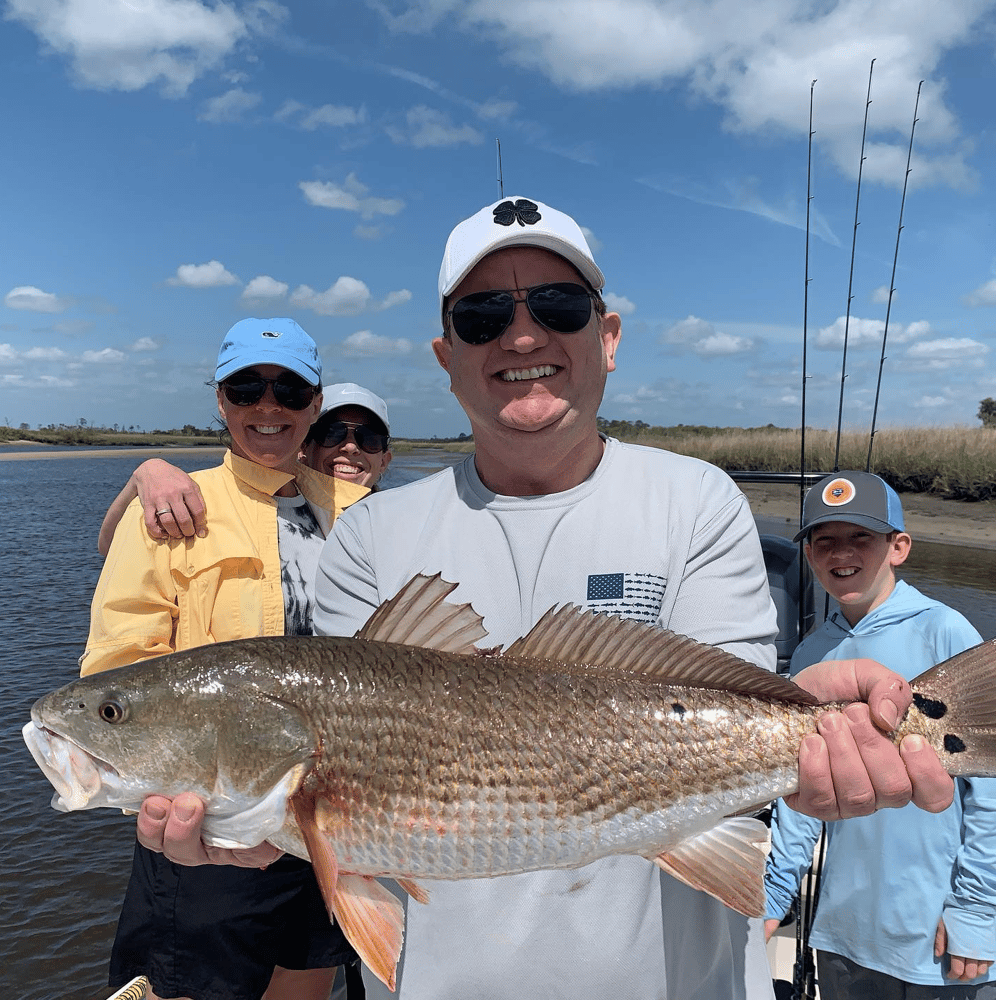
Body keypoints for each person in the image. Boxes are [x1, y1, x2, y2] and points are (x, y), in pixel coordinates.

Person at [134, 199, 954, 998]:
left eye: (559, 305)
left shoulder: (697, 498)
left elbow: (731, 703)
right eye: (483, 317)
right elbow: (344, 816)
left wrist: (809, 746)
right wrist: (254, 833)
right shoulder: (369, 537)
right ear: (445, 354)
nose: (523, 335)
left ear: (609, 335)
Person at [82, 319, 369, 1000]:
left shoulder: (361, 512)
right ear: (220, 401)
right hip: (207, 832)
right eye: (247, 388)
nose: (268, 406)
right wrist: (141, 476)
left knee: (307, 979)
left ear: (315, 403)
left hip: (337, 815)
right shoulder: (173, 508)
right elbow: (115, 676)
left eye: (289, 389)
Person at [764, 472, 996, 998]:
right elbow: (804, 791)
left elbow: (989, 789)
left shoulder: (947, 632)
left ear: (899, 547)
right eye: (824, 540)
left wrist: (977, 912)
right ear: (808, 555)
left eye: (860, 537)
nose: (840, 552)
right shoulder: (809, 654)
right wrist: (775, 894)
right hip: (845, 930)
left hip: (936, 932)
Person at [97, 381, 392, 556]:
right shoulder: (269, 511)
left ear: (385, 460)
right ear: (304, 447)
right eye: (332, 434)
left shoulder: (399, 524)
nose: (351, 447)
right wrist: (145, 475)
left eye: (370, 439)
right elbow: (112, 547)